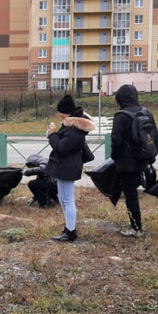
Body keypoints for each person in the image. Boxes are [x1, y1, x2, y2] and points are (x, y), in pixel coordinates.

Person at [111, 84, 158, 237]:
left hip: (126, 162)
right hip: (143, 158)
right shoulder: (146, 112)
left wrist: (114, 156)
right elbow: (156, 135)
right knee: (132, 192)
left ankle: (136, 228)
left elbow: (116, 141)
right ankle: (136, 225)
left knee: (131, 195)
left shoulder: (121, 116)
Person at [46, 95, 95, 242]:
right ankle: (68, 228)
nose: (58, 114)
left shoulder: (74, 128)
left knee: (68, 200)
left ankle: (70, 231)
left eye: (59, 112)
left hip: (68, 166)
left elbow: (62, 148)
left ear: (65, 112)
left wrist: (52, 134)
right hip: (65, 165)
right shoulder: (72, 124)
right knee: (63, 198)